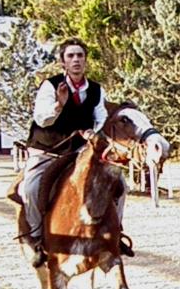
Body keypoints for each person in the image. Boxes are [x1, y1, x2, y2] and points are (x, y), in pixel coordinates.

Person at [20, 37, 125, 268]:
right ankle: (37, 238)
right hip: (47, 151)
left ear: (85, 61)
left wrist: (93, 132)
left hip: (79, 152)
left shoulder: (96, 89)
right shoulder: (50, 85)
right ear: (63, 62)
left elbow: (101, 118)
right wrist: (59, 104)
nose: (76, 60)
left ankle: (117, 234)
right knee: (30, 188)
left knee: (119, 183)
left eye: (80, 55)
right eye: (71, 56)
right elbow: (41, 118)